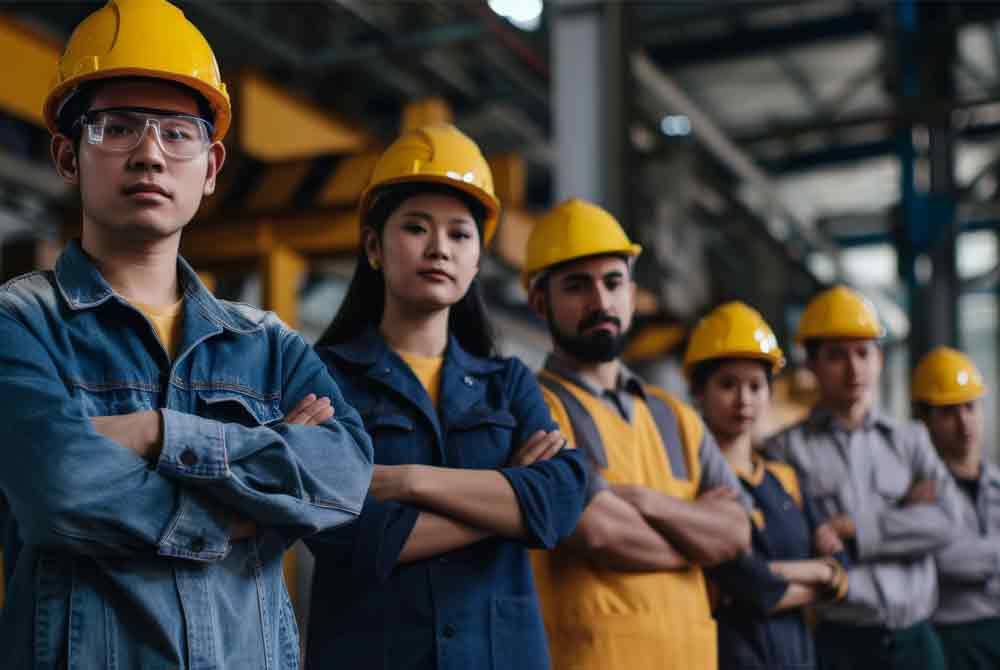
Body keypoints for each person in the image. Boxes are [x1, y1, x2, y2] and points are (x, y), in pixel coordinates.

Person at [0, 1, 374, 667]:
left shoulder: (268, 343)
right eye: (116, 127)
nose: (149, 153)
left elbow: (343, 475)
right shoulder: (19, 323)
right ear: (66, 154)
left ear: (210, 166)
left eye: (178, 134)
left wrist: (159, 434)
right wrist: (244, 513)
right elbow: (59, 488)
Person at [307, 124, 588, 670]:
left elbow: (561, 500)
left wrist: (407, 481)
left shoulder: (506, 382)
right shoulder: (325, 377)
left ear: (478, 260)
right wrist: (508, 508)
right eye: (416, 228)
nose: (439, 248)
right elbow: (344, 531)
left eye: (460, 235)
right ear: (374, 247)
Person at [524, 198, 751, 670]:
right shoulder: (532, 407)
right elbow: (601, 533)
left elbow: (736, 533)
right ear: (540, 302)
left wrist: (646, 503)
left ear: (631, 291)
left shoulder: (677, 416)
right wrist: (696, 544)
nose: (601, 302)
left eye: (613, 282)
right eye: (577, 286)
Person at [765, 286, 961, 670]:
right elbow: (801, 542)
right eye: (837, 355)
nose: (854, 369)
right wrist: (906, 518)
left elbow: (946, 523)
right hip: (842, 645)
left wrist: (851, 527)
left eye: (863, 353)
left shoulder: (911, 440)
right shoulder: (785, 451)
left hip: (916, 642)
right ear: (812, 365)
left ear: (880, 360)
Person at [685, 301, 849, 670]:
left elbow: (841, 568)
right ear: (698, 391)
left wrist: (822, 572)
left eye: (755, 386)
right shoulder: (693, 484)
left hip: (798, 654)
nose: (743, 399)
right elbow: (744, 581)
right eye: (728, 384)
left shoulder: (784, 478)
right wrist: (820, 573)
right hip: (730, 655)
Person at [912, 347, 1000, 670]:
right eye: (949, 411)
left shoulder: (997, 483)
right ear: (923, 419)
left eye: (970, 407)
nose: (964, 423)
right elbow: (945, 561)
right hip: (950, 635)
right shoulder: (915, 492)